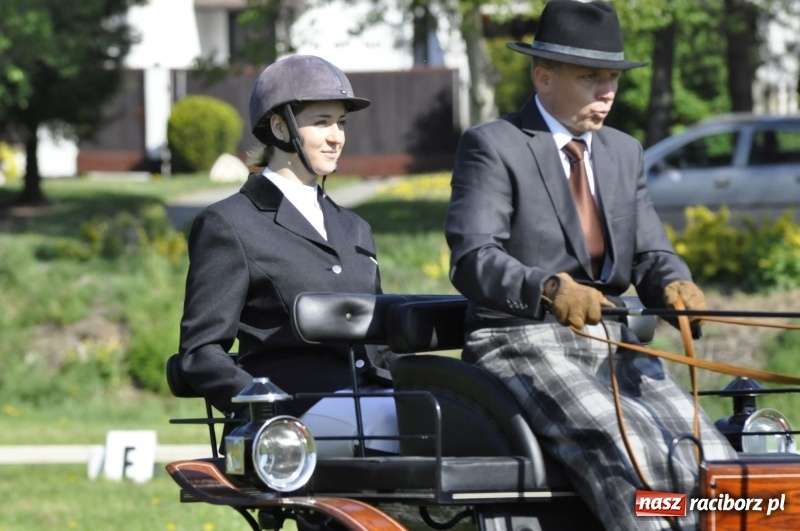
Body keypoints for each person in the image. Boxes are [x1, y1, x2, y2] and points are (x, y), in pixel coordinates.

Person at [444, 1, 737, 530]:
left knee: (709, 458)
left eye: (613, 79)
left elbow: (650, 253)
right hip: (521, 338)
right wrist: (550, 289)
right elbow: (473, 259)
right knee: (626, 448)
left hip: (615, 340)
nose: (607, 92)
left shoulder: (623, 152)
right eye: (590, 78)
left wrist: (675, 284)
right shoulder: (493, 145)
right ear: (544, 77)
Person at [178, 55, 399, 457]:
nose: (336, 137)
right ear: (280, 128)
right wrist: (266, 408)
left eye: (341, 123)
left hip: (373, 398)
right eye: (322, 122)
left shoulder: (355, 228)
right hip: (292, 413)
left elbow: (378, 340)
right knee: (393, 421)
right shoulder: (230, 224)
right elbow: (201, 352)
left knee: (462, 418)